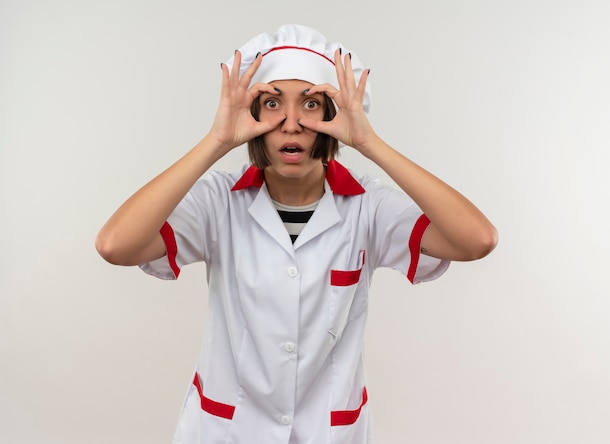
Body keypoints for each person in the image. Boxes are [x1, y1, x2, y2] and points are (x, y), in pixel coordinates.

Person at [96, 24, 497, 444]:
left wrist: (369, 142)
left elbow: (477, 239)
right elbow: (115, 244)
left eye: (310, 104)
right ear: (251, 118)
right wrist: (216, 141)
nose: (291, 123)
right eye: (271, 104)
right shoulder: (219, 202)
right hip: (225, 431)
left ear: (332, 116)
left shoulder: (368, 207)